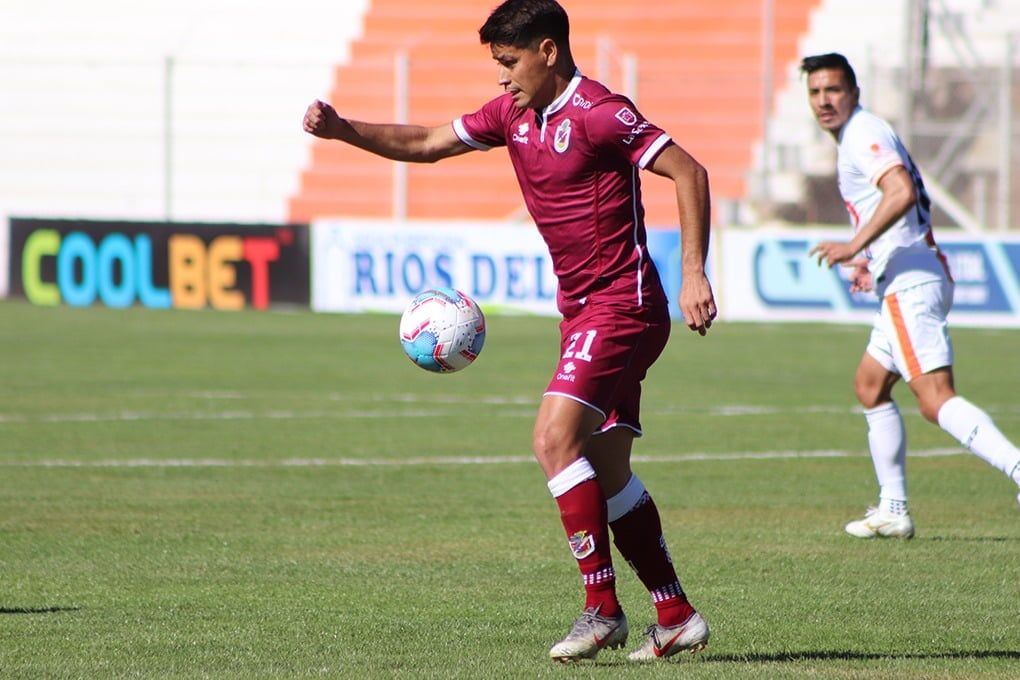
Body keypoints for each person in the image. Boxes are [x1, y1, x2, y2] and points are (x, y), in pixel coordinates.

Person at [304, 0, 716, 663]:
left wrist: (694, 272)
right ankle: (673, 613)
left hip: (623, 304)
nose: (501, 78)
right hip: (583, 311)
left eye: (509, 62)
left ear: (548, 51)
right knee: (607, 470)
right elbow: (429, 143)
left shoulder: (602, 113)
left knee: (553, 440)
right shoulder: (513, 117)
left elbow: (688, 172)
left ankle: (601, 608)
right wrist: (345, 131)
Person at [803, 52, 1020, 540]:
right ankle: (893, 508)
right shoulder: (856, 135)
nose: (824, 100)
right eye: (815, 92)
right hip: (906, 272)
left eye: (833, 90)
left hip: (911, 281)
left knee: (935, 398)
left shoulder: (861, 133)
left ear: (854, 93)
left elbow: (899, 192)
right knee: (870, 385)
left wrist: (853, 246)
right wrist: (870, 259)